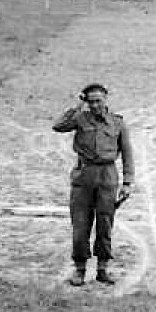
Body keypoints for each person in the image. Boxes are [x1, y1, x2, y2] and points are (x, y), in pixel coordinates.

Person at [54, 82, 135, 286]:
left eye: (98, 101)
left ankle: (102, 268)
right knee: (80, 224)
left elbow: (127, 153)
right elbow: (58, 126)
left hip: (108, 176)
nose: (95, 106)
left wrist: (127, 182)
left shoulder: (118, 123)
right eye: (91, 102)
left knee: (105, 223)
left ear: (106, 99)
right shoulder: (80, 118)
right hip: (84, 176)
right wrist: (77, 105)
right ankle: (80, 269)